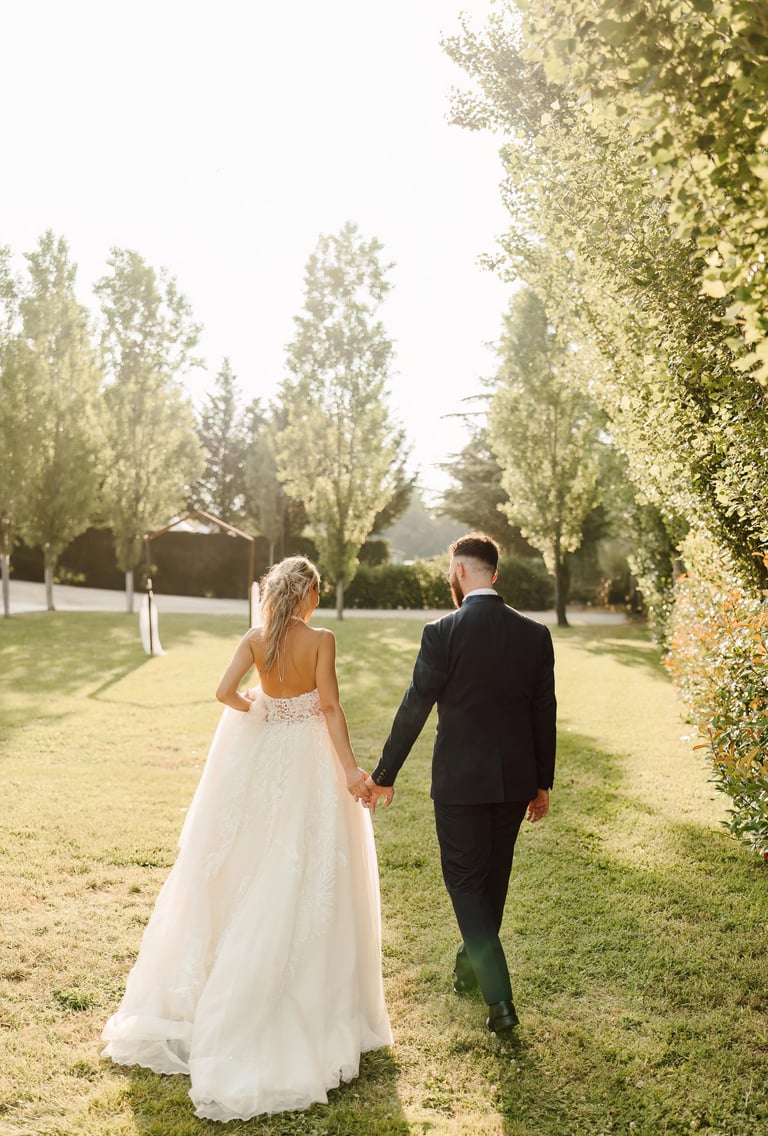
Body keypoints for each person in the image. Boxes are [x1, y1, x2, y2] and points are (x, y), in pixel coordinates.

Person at [102, 556, 392, 1120]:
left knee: (255, 859)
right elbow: (329, 706)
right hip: (309, 762)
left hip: (265, 760)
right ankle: (307, 1000)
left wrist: (258, 708)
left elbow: (223, 693)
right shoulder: (322, 640)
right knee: (306, 865)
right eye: (316, 592)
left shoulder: (257, 640)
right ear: (306, 593)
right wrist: (352, 771)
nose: (315, 600)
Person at [366, 533, 556, 1036]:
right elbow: (544, 712)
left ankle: (500, 1000)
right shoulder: (534, 633)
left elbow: (414, 708)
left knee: (468, 886)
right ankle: (470, 966)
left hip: (459, 783)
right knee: (491, 880)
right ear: (493, 574)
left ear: (459, 572)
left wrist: (384, 775)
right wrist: (541, 782)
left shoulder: (441, 631)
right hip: (514, 781)